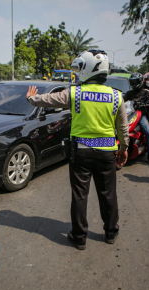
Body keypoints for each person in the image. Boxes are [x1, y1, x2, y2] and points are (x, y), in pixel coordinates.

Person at [25, 50, 129, 248]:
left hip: (81, 152)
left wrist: (32, 98)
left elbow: (48, 100)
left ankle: (79, 237)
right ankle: (110, 232)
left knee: (80, 195)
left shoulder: (75, 92)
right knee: (108, 193)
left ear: (88, 69)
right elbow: (123, 128)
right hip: (107, 153)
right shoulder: (116, 96)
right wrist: (123, 148)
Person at [124, 73, 149, 165]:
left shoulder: (146, 92)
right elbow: (122, 101)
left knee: (148, 132)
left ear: (141, 81)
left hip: (140, 115)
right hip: (129, 115)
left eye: (136, 81)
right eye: (132, 82)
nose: (134, 83)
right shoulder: (129, 93)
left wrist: (145, 104)